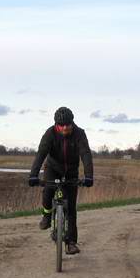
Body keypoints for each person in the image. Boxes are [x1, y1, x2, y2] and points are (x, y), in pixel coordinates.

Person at [28, 106, 94, 254]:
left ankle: (71, 243)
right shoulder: (50, 134)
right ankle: (46, 215)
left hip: (71, 171)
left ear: (72, 123)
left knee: (71, 208)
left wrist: (89, 176)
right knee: (47, 192)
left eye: (68, 125)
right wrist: (33, 175)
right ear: (56, 125)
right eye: (61, 125)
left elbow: (85, 155)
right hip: (53, 168)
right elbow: (40, 154)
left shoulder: (79, 134)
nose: (65, 128)